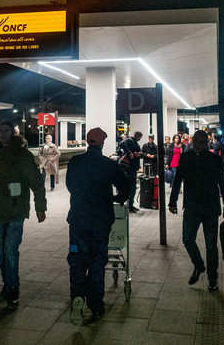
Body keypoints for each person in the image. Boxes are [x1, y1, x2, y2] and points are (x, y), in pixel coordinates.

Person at [0, 122, 46, 310]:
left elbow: (36, 182)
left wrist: (40, 207)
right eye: (0, 131)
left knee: (10, 252)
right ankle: (7, 284)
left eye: (6, 131)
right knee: (0, 253)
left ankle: (13, 289)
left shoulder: (23, 155)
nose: (2, 134)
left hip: (16, 210)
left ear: (13, 133)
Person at [66, 127, 129, 325]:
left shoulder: (76, 162)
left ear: (87, 141)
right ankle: (96, 305)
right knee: (97, 261)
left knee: (77, 259)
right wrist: (116, 198)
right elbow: (125, 187)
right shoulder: (109, 165)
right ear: (102, 143)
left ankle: (77, 297)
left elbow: (69, 185)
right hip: (101, 222)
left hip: (78, 221)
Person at [168, 130, 224, 292]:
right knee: (188, 239)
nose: (198, 144)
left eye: (201, 142)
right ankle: (199, 265)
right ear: (193, 142)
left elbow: (223, 185)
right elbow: (177, 181)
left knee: (210, 245)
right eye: (197, 141)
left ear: (206, 143)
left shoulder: (214, 160)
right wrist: (172, 201)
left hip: (209, 208)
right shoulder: (186, 158)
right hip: (193, 206)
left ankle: (212, 278)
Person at [120, 131, 143, 213]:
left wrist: (138, 153)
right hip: (129, 168)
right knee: (131, 188)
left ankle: (130, 205)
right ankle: (128, 206)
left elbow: (139, 152)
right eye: (140, 137)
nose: (140, 139)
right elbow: (121, 144)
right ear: (137, 136)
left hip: (132, 168)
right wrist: (130, 153)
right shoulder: (130, 140)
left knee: (132, 188)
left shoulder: (135, 143)